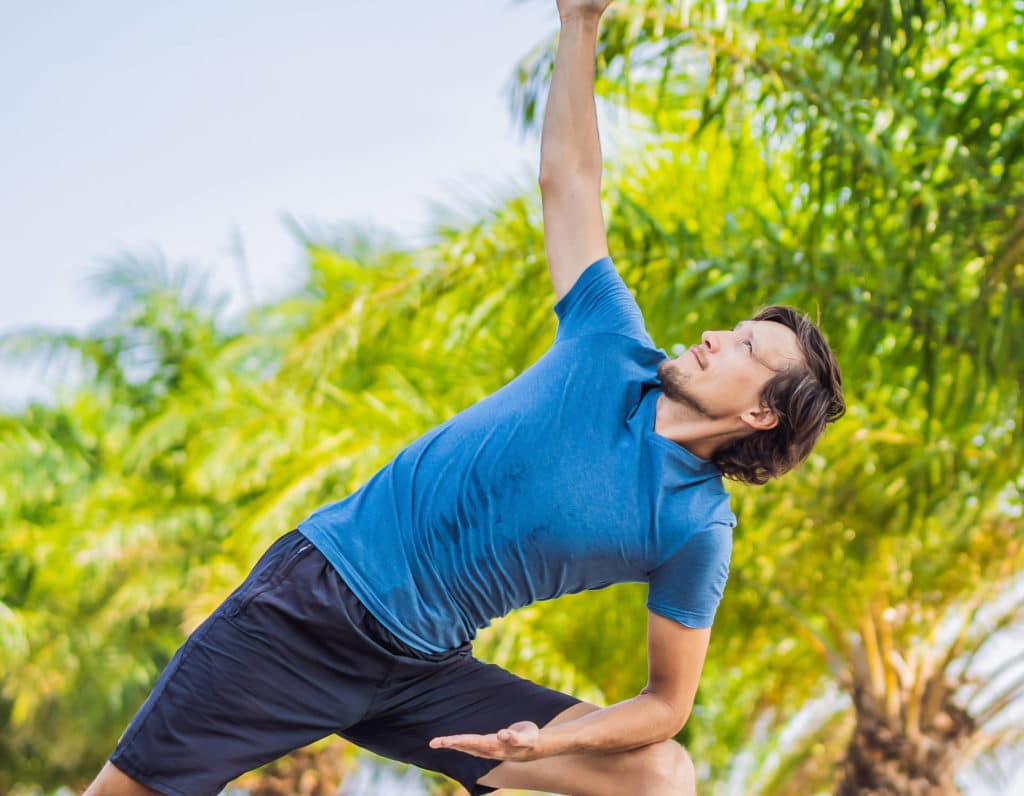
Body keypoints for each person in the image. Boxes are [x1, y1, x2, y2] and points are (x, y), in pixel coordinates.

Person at [84, 0, 844, 794]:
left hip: (423, 677)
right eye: (733, 329)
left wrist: (541, 746)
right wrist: (579, 23)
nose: (719, 338)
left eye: (747, 348)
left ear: (762, 413)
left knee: (659, 776)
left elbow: (666, 705)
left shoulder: (694, 528)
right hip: (312, 610)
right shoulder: (608, 343)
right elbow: (569, 180)